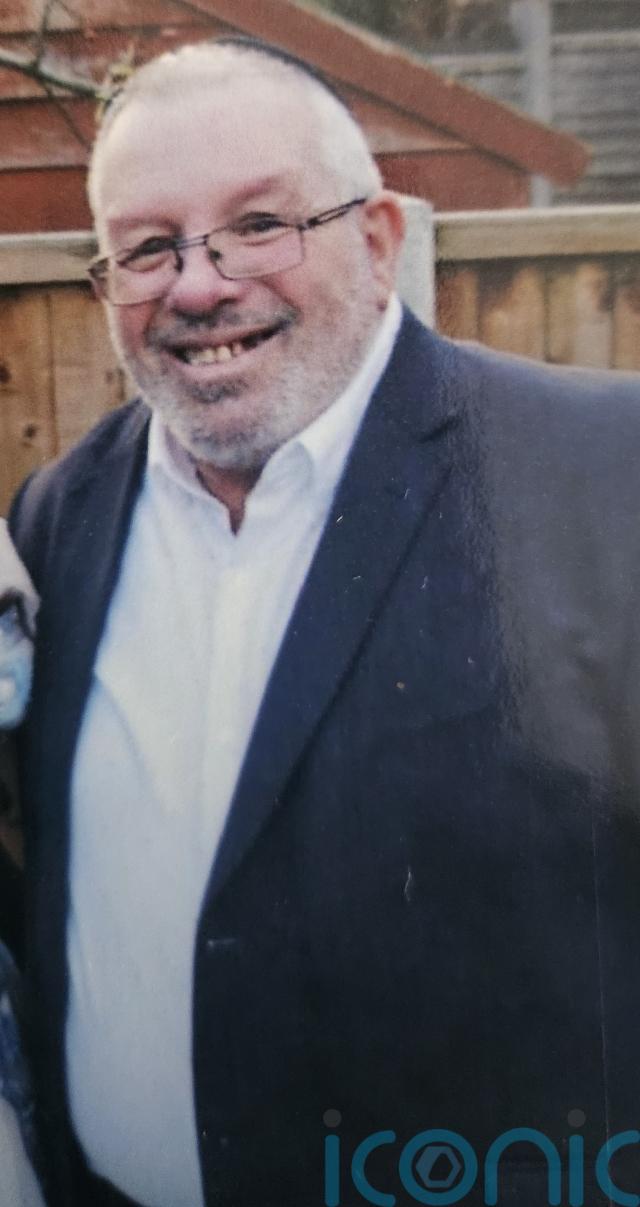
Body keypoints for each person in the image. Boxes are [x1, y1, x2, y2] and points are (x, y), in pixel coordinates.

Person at [9, 35, 640, 1207]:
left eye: (260, 224)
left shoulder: (605, 477)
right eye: (146, 246)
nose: (198, 285)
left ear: (380, 238)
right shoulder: (58, 519)